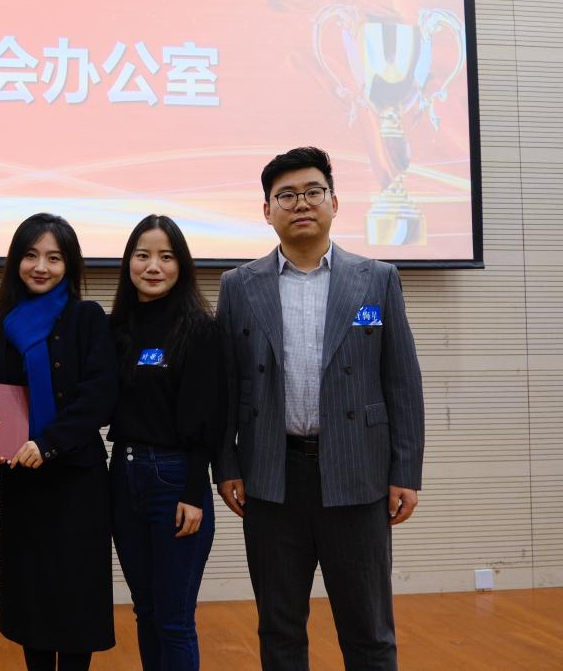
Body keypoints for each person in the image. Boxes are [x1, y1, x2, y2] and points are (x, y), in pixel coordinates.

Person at [214, 146, 425, 669]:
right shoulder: (238, 286)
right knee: (279, 627)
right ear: (267, 210)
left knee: (369, 629)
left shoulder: (377, 279)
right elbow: (226, 386)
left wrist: (405, 471)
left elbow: (401, 381)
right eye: (286, 195)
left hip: (357, 474)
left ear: (334, 202)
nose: (301, 203)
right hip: (271, 477)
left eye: (313, 191)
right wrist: (227, 465)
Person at [0, 213, 118, 671]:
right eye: (31, 255)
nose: (41, 267)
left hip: (79, 480)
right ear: (15, 261)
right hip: (22, 482)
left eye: (54, 258)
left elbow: (99, 395)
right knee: (30, 595)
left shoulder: (87, 318)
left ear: (69, 265)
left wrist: (48, 443)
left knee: (77, 596)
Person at [107, 215, 226, 670]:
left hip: (174, 480)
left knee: (174, 619)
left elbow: (208, 419)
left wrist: (194, 493)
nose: (153, 266)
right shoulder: (115, 327)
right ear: (128, 263)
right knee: (146, 610)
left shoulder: (199, 328)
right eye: (142, 255)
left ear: (182, 265)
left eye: (166, 256)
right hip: (122, 476)